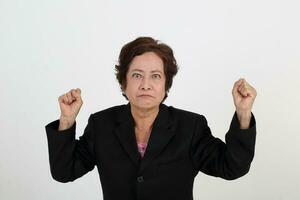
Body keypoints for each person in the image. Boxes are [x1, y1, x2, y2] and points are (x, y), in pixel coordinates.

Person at [45, 37, 257, 200]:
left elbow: (231, 167)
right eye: (137, 75)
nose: (146, 84)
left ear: (166, 84)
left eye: (155, 76)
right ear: (123, 83)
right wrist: (67, 120)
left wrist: (243, 113)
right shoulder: (101, 125)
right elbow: (64, 171)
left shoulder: (190, 127)